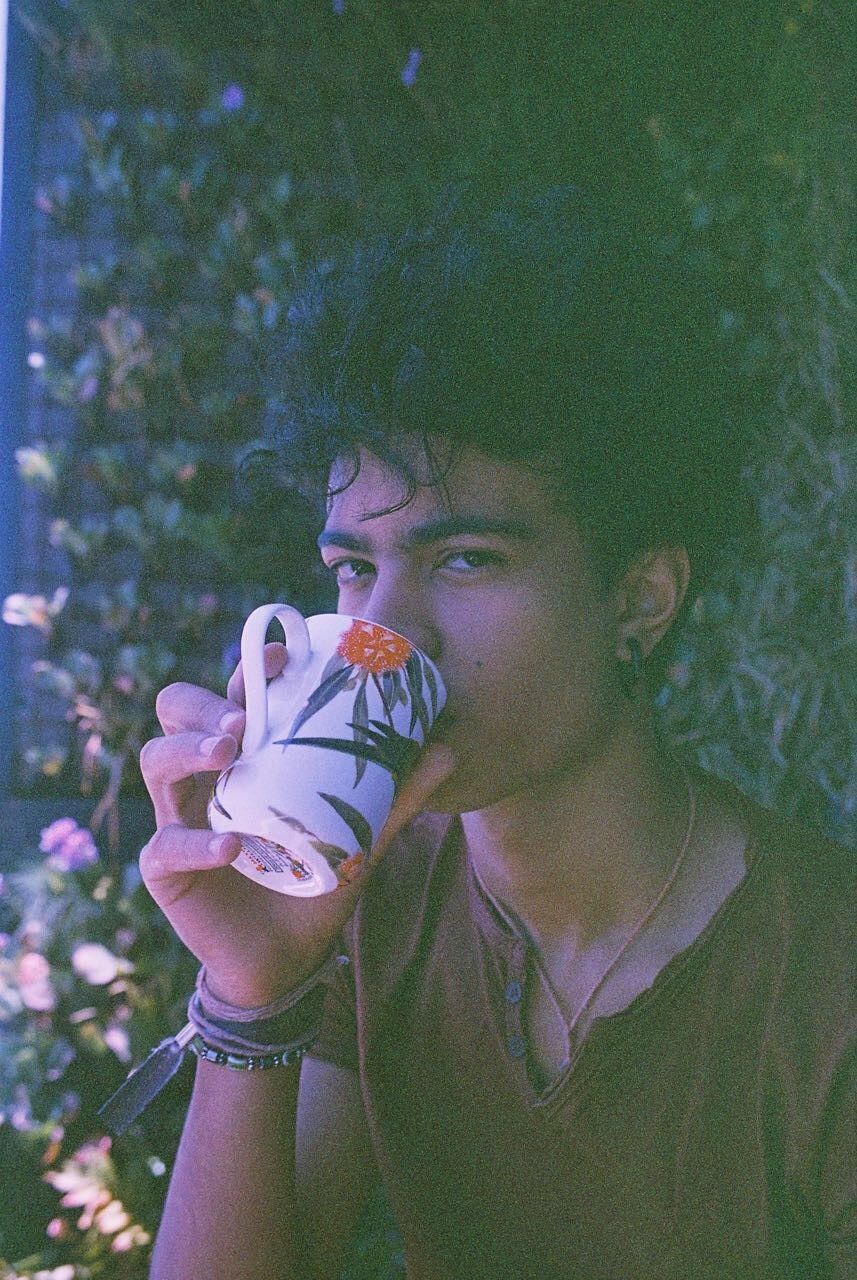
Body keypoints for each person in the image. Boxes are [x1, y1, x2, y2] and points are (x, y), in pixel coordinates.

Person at [141, 182, 855, 1278]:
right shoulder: (371, 894)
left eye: (465, 558)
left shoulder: (819, 975)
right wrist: (251, 988)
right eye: (352, 568)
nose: (384, 634)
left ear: (639, 599)